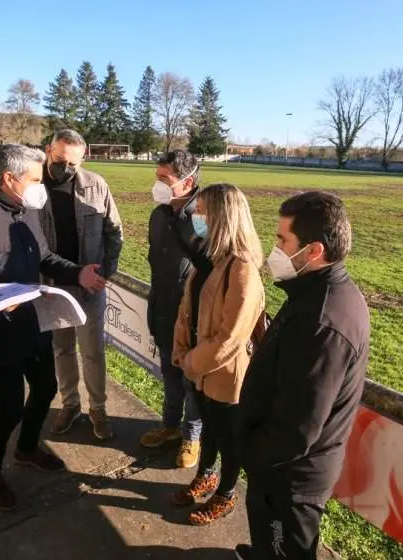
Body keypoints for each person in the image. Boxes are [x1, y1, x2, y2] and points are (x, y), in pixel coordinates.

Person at [0, 144, 106, 510]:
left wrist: (77, 272)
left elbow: (45, 257)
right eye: (35, 179)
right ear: (8, 178)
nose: (41, 186)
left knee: (47, 386)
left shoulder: (27, 211)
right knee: (10, 406)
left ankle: (27, 448)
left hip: (33, 323)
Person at [236, 192, 370, 560]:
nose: (274, 248)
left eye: (282, 240)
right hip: (277, 472)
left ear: (313, 251)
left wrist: (251, 451)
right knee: (268, 545)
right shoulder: (314, 293)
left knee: (285, 550)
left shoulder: (323, 320)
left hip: (289, 481)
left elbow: (297, 429)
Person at [170, 183, 265, 526]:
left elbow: (231, 339)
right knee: (209, 429)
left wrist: (192, 362)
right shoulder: (209, 259)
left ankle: (225, 493)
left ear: (222, 217)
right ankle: (205, 477)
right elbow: (188, 309)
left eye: (201, 211)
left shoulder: (242, 270)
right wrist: (181, 350)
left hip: (224, 373)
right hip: (198, 366)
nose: (195, 217)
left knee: (228, 437)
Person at [40, 130, 123, 441]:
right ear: (48, 150)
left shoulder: (96, 185)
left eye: (74, 162)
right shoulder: (34, 186)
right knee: (61, 349)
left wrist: (106, 271)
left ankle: (98, 408)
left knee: (92, 351)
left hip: (89, 284)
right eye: (61, 160)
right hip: (51, 285)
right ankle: (70, 404)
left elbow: (115, 230)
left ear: (83, 158)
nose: (67, 167)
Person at [139, 150, 204, 468]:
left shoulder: (203, 220)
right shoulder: (157, 215)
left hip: (193, 319)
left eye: (165, 179)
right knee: (169, 374)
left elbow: (214, 268)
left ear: (187, 182)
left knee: (192, 382)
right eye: (157, 177)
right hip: (162, 312)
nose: (158, 184)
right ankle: (169, 426)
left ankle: (192, 436)